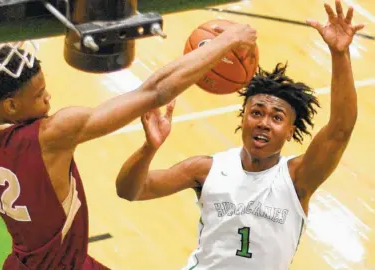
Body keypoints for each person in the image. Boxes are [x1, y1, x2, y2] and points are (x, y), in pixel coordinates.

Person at [0, 23, 257, 269]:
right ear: (10, 105)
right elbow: (154, 92)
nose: (48, 98)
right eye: (38, 95)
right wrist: (228, 41)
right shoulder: (50, 136)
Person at [115, 1, 364, 269]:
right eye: (256, 112)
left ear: (291, 131)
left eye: (277, 118)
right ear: (243, 117)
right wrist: (148, 149)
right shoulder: (205, 169)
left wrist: (340, 55)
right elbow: (130, 191)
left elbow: (340, 130)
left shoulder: (297, 178)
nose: (264, 123)